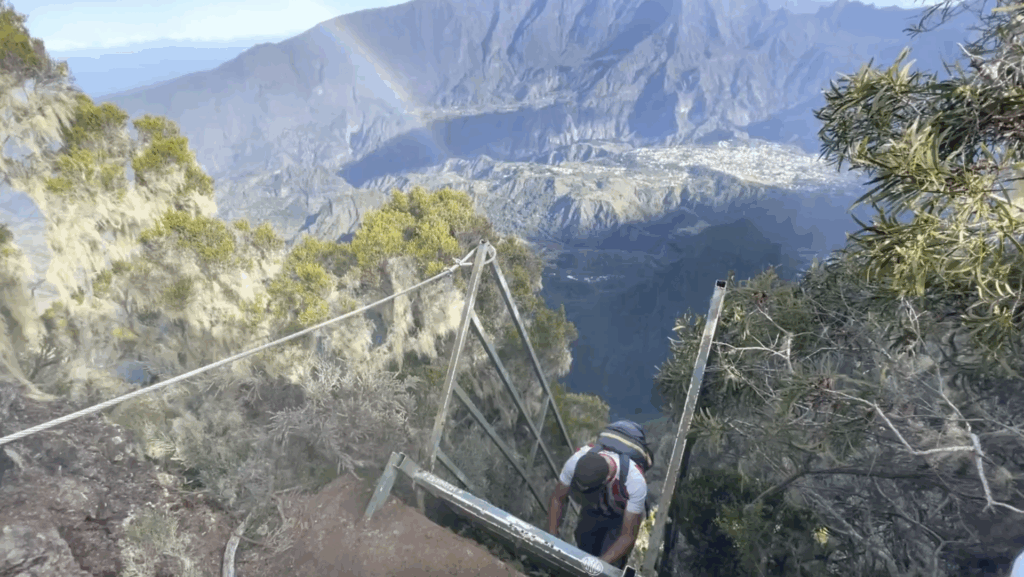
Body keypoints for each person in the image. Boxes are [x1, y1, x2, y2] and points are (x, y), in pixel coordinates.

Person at [546, 420, 654, 569]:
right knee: (584, 539)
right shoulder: (576, 461)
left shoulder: (634, 481)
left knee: (612, 559)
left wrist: (599, 565)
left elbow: (627, 536)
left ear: (604, 483)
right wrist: (552, 539)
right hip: (593, 509)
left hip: (621, 517)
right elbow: (557, 498)